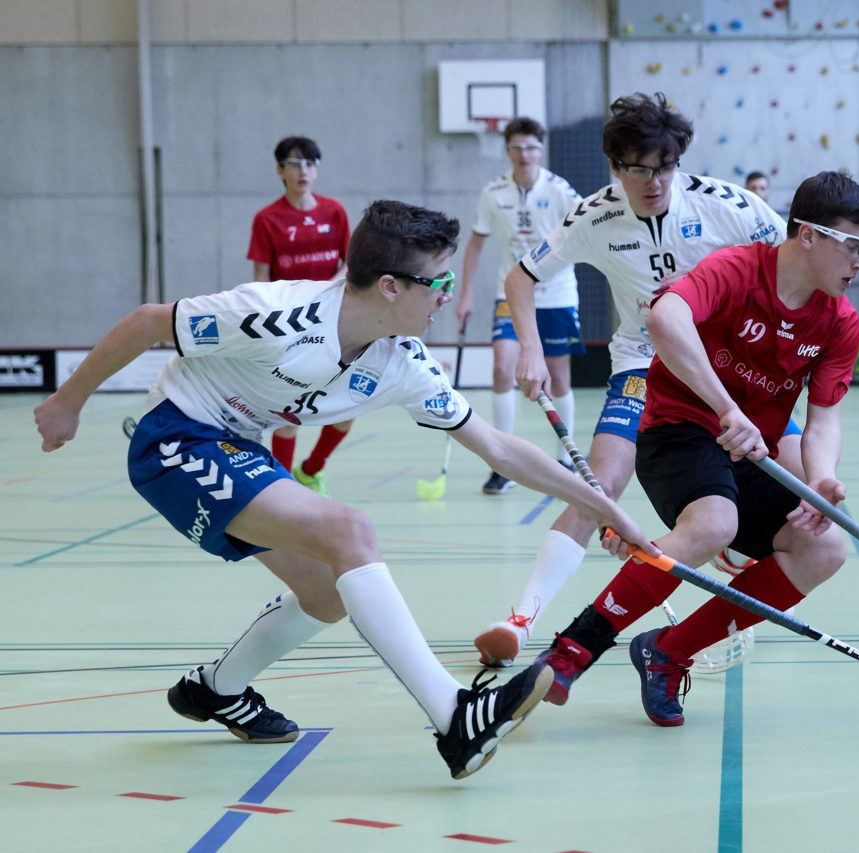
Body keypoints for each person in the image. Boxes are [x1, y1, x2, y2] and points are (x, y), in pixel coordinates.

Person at [34, 200, 655, 780]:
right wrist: (68, 402)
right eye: (437, 282)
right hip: (174, 437)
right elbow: (148, 323)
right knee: (348, 531)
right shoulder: (276, 314)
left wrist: (603, 507)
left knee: (328, 593)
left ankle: (214, 689)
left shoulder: (402, 361)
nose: (445, 297)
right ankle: (455, 717)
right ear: (391, 286)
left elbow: (495, 446)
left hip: (237, 445)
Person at [515, 171, 859, 724]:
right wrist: (727, 408)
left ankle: (667, 653)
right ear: (808, 235)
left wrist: (820, 479)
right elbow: (665, 318)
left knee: (825, 549)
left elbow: (824, 418)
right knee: (714, 525)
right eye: (853, 247)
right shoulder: (737, 269)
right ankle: (571, 651)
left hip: (749, 451)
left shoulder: (840, 323)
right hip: (678, 429)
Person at [471, 93, 788, 668]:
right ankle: (521, 619)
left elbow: (793, 261)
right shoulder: (593, 216)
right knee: (598, 489)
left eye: (664, 166)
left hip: (729, 369)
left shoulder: (726, 205)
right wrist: (532, 353)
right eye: (638, 169)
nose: (654, 181)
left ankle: (738, 562)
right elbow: (521, 279)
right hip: (643, 363)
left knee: (793, 486)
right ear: (615, 167)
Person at [452, 118, 585, 495]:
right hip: (509, 294)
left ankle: (565, 460)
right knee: (501, 367)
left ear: (540, 149)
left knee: (558, 378)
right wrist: (465, 294)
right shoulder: (493, 192)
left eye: (530, 147)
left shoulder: (560, 191)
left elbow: (585, 234)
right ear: (507, 151)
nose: (524, 154)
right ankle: (502, 464)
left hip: (556, 295)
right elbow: (476, 243)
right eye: (516, 148)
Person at [247, 136, 353, 496]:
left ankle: (312, 469)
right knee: (289, 416)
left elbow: (349, 264)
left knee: (346, 410)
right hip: (291, 327)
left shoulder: (334, 211)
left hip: (335, 321)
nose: (303, 171)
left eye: (310, 163)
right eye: (294, 164)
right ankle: (285, 485)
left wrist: (327, 292)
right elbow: (261, 278)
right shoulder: (266, 219)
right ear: (280, 170)